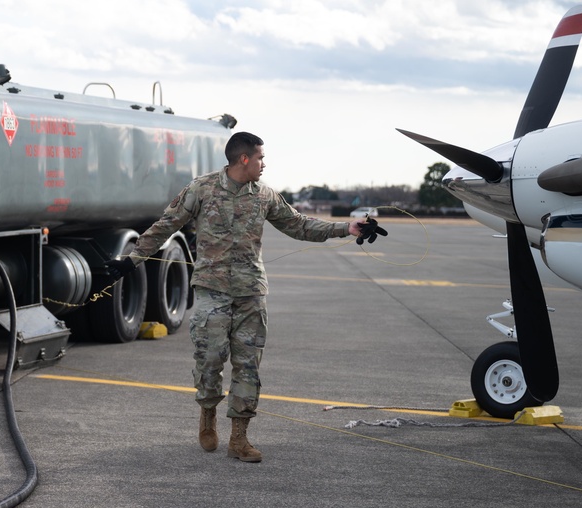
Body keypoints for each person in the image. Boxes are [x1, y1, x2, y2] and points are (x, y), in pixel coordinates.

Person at [106, 131, 386, 463]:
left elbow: (299, 225)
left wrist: (346, 228)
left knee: (248, 365)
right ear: (243, 159)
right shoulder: (202, 189)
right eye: (260, 158)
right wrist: (132, 260)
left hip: (252, 291)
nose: (264, 164)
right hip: (212, 290)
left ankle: (239, 438)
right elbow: (167, 225)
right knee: (209, 359)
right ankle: (207, 414)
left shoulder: (265, 195)